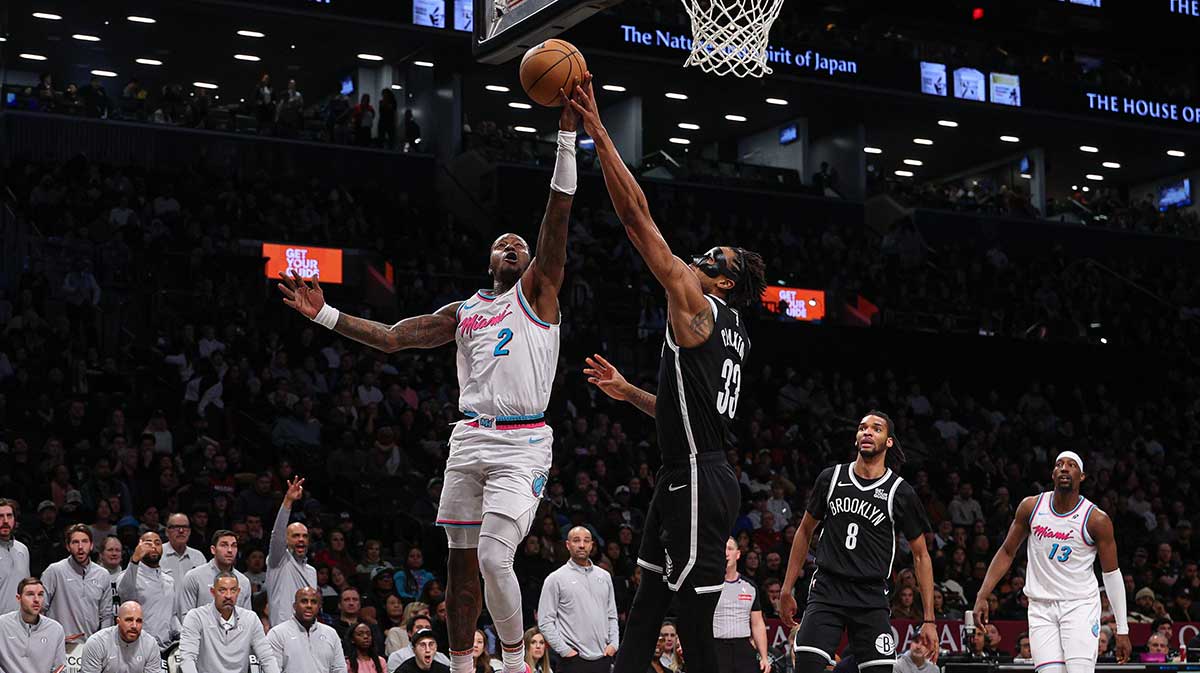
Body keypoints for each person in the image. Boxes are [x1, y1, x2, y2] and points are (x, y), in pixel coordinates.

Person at [279, 99, 580, 673]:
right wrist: (325, 315)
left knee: (496, 559)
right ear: (490, 258)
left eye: (522, 243)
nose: (514, 246)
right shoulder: (463, 311)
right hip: (468, 438)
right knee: (460, 568)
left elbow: (558, 217)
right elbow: (394, 337)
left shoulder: (539, 294)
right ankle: (464, 665)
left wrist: (565, 140)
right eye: (503, 243)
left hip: (521, 442)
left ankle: (515, 661)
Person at [571, 71, 766, 673]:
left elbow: (636, 219)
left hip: (700, 478)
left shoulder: (697, 301)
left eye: (716, 259)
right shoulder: (731, 330)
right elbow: (686, 409)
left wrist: (599, 131)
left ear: (726, 281)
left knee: (693, 619)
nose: (702, 256)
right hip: (688, 469)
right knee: (649, 599)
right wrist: (630, 392)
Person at [778, 412, 938, 672]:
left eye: (876, 429)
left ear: (888, 441)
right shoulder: (831, 478)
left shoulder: (901, 492)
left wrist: (929, 619)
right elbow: (805, 531)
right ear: (856, 439)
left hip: (871, 596)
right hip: (828, 590)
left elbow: (921, 556)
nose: (867, 432)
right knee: (806, 666)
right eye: (862, 428)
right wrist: (787, 588)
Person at [974, 451, 1133, 672]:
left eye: (1071, 465)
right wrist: (983, 594)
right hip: (1040, 607)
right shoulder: (1031, 507)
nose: (1065, 468)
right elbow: (1007, 551)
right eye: (1059, 464)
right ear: (1053, 473)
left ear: (1082, 476)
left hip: (1079, 605)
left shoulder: (1097, 519)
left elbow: (1112, 575)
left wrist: (1122, 629)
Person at [537, 526, 619, 673]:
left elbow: (611, 615)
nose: (582, 545)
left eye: (586, 541)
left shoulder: (604, 576)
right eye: (576, 540)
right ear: (568, 545)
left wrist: (614, 644)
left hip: (604, 658)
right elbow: (545, 621)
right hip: (572, 661)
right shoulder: (555, 579)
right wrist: (565, 651)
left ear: (592, 545)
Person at [179, 572, 281, 673]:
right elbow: (187, 658)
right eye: (222, 590)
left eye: (233, 590)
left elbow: (267, 658)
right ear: (213, 592)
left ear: (238, 592)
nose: (228, 596)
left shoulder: (250, 618)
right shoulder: (196, 617)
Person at [42, 523, 113, 640]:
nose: (80, 547)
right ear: (68, 546)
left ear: (91, 545)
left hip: (92, 646)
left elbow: (106, 615)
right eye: (75, 542)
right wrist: (53, 638)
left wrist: (102, 642)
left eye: (85, 541)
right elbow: (40, 609)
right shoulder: (54, 571)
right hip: (60, 645)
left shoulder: (103, 574)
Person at [711, 539, 769, 673]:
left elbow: (757, 623)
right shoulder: (709, 586)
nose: (726, 553)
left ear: (738, 554)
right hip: (716, 646)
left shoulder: (750, 587)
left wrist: (764, 657)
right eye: (722, 549)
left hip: (743, 649)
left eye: (730, 549)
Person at [267, 476, 318, 628]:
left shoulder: (312, 571)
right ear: (286, 540)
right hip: (281, 635)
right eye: (295, 536)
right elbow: (277, 534)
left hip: (308, 634)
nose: (301, 539)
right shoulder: (278, 561)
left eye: (304, 536)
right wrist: (288, 501)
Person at [117, 531, 177, 648]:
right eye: (148, 543)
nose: (153, 546)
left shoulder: (169, 581)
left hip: (166, 647)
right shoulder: (127, 577)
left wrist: (183, 635)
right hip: (137, 646)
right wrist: (134, 560)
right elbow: (124, 593)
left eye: (157, 543)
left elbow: (172, 616)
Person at [176, 529, 252, 619]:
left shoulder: (243, 581)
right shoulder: (194, 577)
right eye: (224, 545)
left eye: (234, 546)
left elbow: (246, 619)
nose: (230, 550)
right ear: (213, 550)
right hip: (200, 632)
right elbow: (185, 616)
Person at [268, 587, 347, 673]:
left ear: (319, 606)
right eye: (304, 601)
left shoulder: (331, 633)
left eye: (313, 602)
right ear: (295, 606)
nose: (309, 606)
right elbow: (272, 670)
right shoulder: (277, 633)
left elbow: (340, 669)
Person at [79, 601, 161, 673]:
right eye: (129, 620)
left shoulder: (151, 645)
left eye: (139, 621)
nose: (134, 626)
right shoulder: (97, 643)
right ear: (118, 621)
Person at [0, 499, 30, 614]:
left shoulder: (22, 549)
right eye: (1, 516)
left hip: (21, 623)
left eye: (9, 516)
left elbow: (26, 589)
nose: (5, 521)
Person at [162, 512, 206, 580]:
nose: (181, 531)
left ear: (189, 532)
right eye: (176, 527)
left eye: (185, 527)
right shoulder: (158, 554)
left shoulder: (198, 557)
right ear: (167, 532)